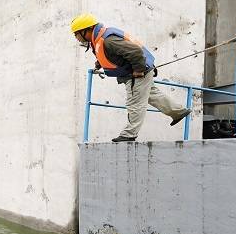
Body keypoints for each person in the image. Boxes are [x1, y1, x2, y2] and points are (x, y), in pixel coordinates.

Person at [70, 13, 191, 142]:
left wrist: (138, 70)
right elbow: (108, 54)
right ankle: (178, 112)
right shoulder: (99, 38)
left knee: (134, 102)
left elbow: (135, 51)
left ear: (85, 30)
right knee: (152, 96)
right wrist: (99, 64)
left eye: (76, 33)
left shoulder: (108, 40)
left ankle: (129, 134)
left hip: (137, 73)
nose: (76, 37)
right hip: (139, 71)